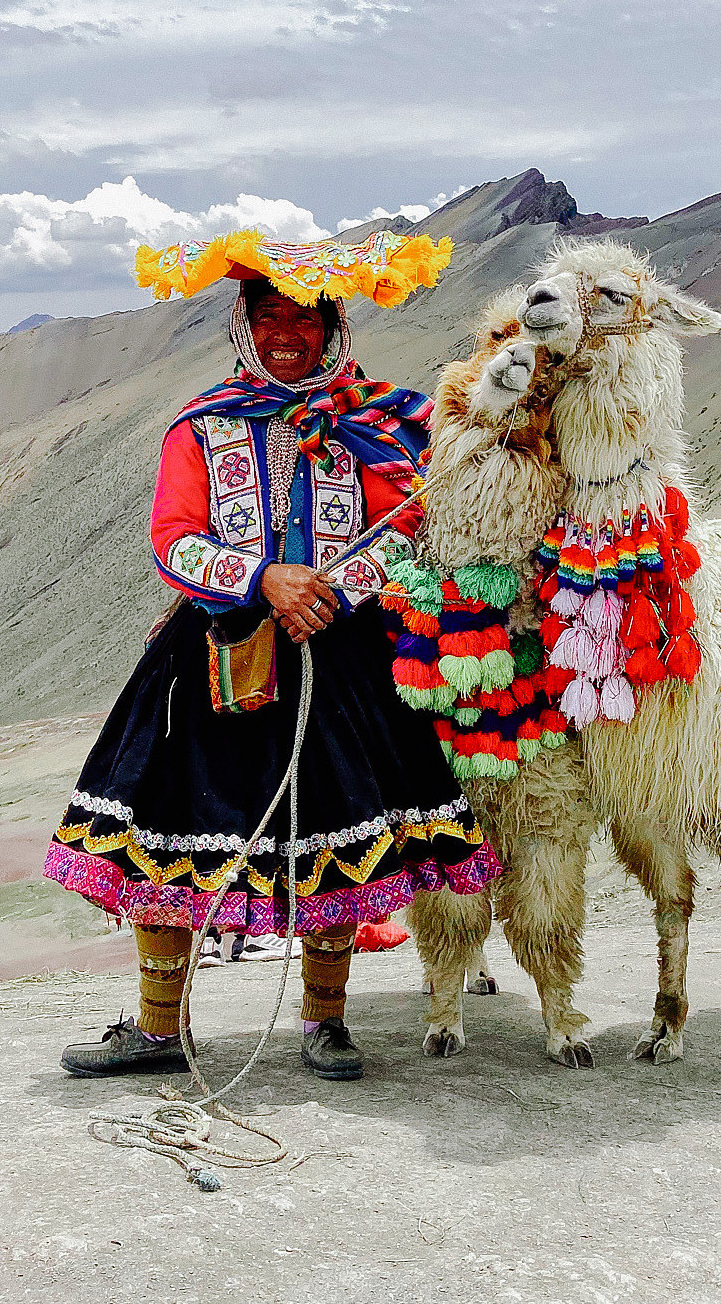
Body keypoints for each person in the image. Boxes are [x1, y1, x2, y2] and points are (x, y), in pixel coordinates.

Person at [45, 271, 500, 1081]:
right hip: (217, 650)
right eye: (270, 317)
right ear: (245, 326)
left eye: (304, 318)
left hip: (338, 651)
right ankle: (157, 1028)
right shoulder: (204, 425)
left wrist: (328, 593)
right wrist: (264, 580)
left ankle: (325, 1019)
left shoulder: (379, 423)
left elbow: (407, 529)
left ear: (332, 329)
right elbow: (173, 538)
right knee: (167, 835)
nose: (287, 334)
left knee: (336, 830)